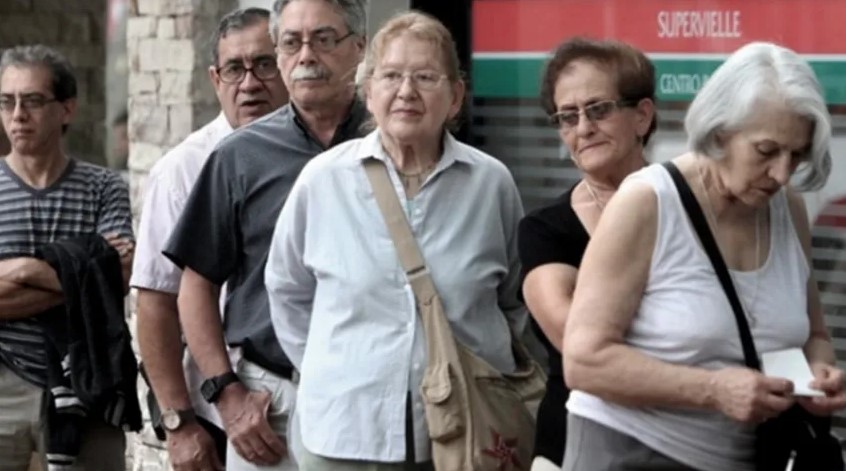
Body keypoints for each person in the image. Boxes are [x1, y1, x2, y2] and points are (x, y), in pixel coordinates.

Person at [563, 41, 846, 471]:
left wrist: (820, 375)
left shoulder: (787, 206)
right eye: (766, 151)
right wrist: (713, 389)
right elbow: (584, 361)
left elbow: (814, 334)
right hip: (631, 453)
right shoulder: (647, 202)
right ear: (718, 133)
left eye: (797, 155)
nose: (781, 173)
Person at [265, 11, 528, 470]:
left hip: (467, 429)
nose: (406, 91)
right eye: (390, 76)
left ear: (455, 96)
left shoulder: (491, 184)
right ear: (368, 92)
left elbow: (513, 300)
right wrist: (335, 369)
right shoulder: (323, 180)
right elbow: (287, 291)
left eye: (425, 77)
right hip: (343, 429)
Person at [163, 0, 368, 469]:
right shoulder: (239, 155)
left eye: (324, 39)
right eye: (291, 42)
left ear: (359, 47)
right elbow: (195, 285)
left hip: (371, 395)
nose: (306, 55)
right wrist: (226, 393)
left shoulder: (388, 144)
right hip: (271, 402)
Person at [132, 7, 289, 471]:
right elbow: (156, 303)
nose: (250, 83)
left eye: (265, 64)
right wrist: (179, 426)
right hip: (217, 411)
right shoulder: (183, 169)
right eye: (234, 69)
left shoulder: (320, 154)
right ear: (215, 79)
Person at [516, 37, 656, 471]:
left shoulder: (692, 208)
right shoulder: (545, 230)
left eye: (598, 109)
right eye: (567, 116)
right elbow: (580, 347)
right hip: (573, 447)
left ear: (642, 115)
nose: (583, 128)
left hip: (687, 444)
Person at [0, 44, 134, 470]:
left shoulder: (104, 187)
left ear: (67, 108)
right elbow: (101, 277)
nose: (17, 114)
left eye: (32, 100)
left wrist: (20, 271)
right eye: (7, 101)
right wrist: (85, 274)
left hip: (90, 375)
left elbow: (119, 275)